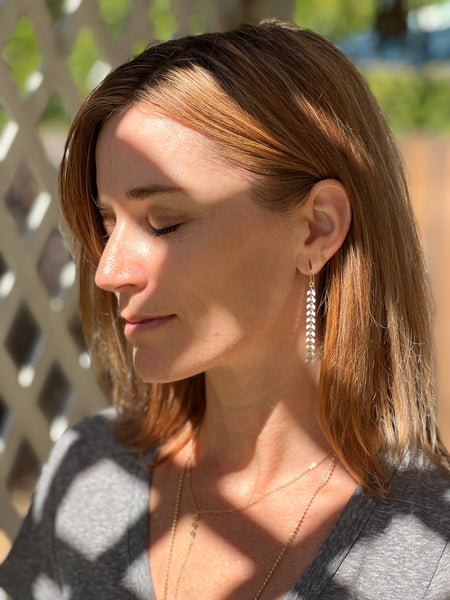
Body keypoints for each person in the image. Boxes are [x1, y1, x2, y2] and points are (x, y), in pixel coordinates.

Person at [1, 19, 449, 600]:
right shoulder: (89, 475)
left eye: (164, 223)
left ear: (317, 229)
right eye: (107, 225)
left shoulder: (429, 555)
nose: (108, 271)